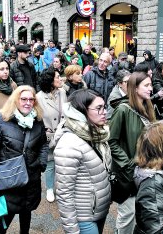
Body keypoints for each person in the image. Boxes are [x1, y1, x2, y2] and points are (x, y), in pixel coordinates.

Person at [0, 85, 48, 234]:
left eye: (31, 99)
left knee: (27, 212)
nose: (28, 102)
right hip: (9, 180)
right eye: (23, 99)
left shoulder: (37, 119)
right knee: (6, 215)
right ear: (15, 100)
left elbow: (43, 143)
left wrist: (41, 163)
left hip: (31, 179)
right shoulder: (0, 120)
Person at [54, 89, 112, 233]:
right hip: (84, 217)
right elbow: (64, 193)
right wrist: (72, 230)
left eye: (104, 107)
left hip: (99, 210)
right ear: (81, 111)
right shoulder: (69, 144)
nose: (104, 112)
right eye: (98, 108)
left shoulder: (98, 133)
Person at [108, 71, 156, 234]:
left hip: (146, 171)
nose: (151, 88)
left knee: (141, 212)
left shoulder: (148, 106)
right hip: (128, 173)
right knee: (127, 215)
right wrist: (128, 164)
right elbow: (111, 141)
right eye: (147, 85)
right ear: (135, 88)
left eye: (151, 85)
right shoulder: (122, 109)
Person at [36, 67, 67, 203]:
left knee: (63, 163)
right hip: (48, 136)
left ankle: (62, 188)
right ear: (50, 80)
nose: (61, 79)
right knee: (50, 163)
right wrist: (46, 133)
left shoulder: (62, 92)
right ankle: (49, 188)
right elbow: (38, 120)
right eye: (58, 77)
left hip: (63, 134)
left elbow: (66, 113)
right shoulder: (38, 97)